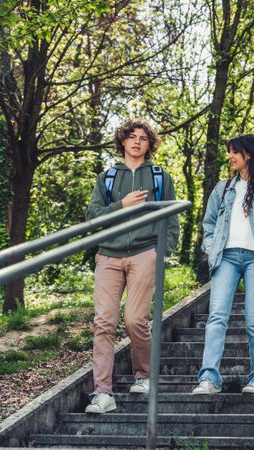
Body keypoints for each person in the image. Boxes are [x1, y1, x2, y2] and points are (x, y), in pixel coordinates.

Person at [84, 119, 179, 413]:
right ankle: (103, 393)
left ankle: (144, 376)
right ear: (122, 142)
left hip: (143, 253)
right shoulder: (108, 177)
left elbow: (171, 215)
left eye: (143, 138)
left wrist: (162, 250)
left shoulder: (160, 177)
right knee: (104, 323)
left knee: (135, 320)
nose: (137, 142)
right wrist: (121, 205)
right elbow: (92, 217)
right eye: (132, 137)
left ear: (149, 145)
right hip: (109, 256)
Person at [192, 134, 254, 395]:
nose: (230, 156)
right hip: (226, 257)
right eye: (229, 152)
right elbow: (209, 225)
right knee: (216, 318)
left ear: (249, 153)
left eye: (234, 151)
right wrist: (212, 247)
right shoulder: (223, 188)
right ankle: (209, 380)